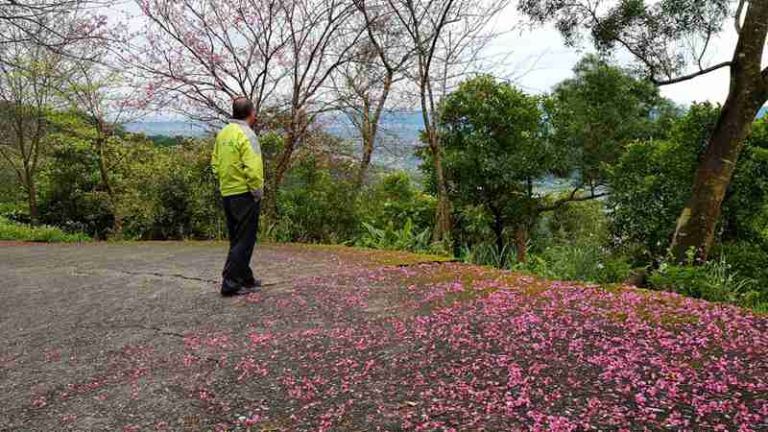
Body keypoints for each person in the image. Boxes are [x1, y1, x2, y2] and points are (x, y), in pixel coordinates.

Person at [211, 97, 264, 296]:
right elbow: (253, 168)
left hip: (228, 193)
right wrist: (257, 191)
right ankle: (230, 283)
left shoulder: (223, 133)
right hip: (244, 194)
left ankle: (245, 277)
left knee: (237, 238)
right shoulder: (247, 135)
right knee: (245, 240)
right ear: (251, 113)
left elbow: (215, 163)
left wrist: (225, 179)